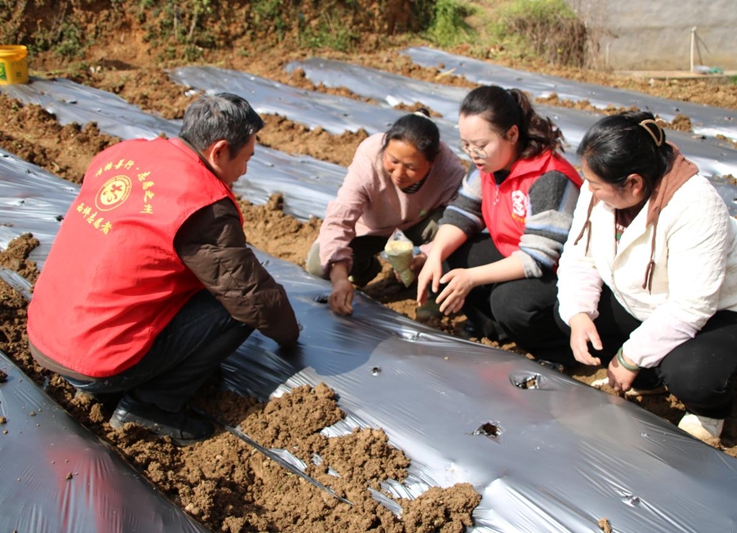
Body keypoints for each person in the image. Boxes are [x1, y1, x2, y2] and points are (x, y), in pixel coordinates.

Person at [27, 93, 299, 445]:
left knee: (210, 277)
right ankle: (150, 406)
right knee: (239, 305)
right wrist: (290, 335)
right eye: (246, 159)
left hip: (47, 336)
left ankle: (107, 381)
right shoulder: (200, 201)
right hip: (96, 362)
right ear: (218, 151)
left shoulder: (125, 154)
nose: (245, 171)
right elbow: (251, 297)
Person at [555, 111, 737, 444]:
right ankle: (648, 380)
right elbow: (579, 257)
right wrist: (578, 314)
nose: (588, 190)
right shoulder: (599, 189)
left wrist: (630, 356)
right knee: (577, 322)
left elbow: (693, 305)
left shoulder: (695, 206)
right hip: (652, 302)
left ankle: (709, 412)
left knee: (690, 375)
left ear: (633, 184)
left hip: (727, 311)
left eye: (595, 185)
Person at [416, 85, 582, 354]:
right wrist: (434, 255)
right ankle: (498, 331)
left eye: (480, 145)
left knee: (509, 301)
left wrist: (472, 277)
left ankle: (559, 351)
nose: (472, 153)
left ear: (512, 134)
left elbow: (539, 256)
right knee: (448, 255)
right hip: (516, 251)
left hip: (560, 272)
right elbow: (462, 212)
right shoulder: (486, 164)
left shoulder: (549, 178)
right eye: (466, 144)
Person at [306, 110, 465, 316]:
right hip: (371, 229)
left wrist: (428, 255)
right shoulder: (370, 156)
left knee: (451, 225)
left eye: (410, 167)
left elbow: (462, 217)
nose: (399, 174)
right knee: (317, 264)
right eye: (393, 161)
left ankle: (433, 293)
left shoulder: (448, 170)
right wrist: (340, 278)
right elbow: (340, 218)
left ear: (432, 162)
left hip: (419, 224)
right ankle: (365, 267)